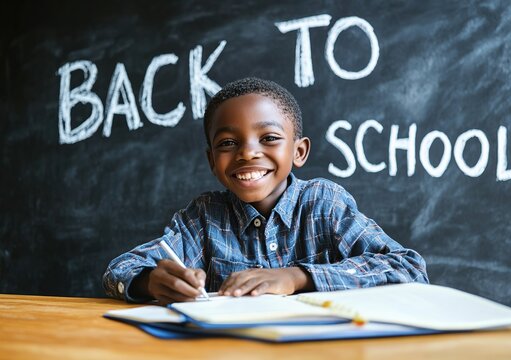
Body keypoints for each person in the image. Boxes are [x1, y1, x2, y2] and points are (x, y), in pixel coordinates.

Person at [103, 77, 428, 304]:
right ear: (212, 161)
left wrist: (297, 277)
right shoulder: (203, 217)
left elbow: (408, 268)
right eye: (228, 143)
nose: (247, 153)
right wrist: (150, 282)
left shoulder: (324, 204)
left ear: (299, 152)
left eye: (269, 138)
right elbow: (118, 270)